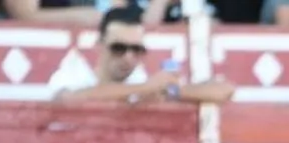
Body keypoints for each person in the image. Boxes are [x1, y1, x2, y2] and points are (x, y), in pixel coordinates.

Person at [50, 6, 235, 104]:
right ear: (99, 45)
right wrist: (145, 88)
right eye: (119, 48)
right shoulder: (75, 70)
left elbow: (225, 90)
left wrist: (173, 91)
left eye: (137, 50)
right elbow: (68, 99)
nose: (128, 57)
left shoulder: (139, 79)